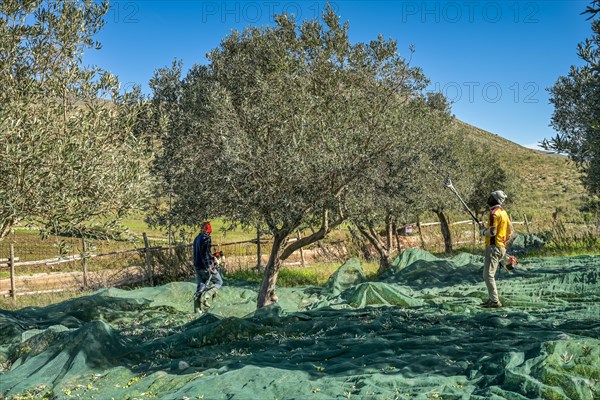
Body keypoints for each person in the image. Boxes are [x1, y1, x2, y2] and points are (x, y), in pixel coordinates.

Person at [478, 190, 513, 308]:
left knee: (488, 275)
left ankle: (494, 302)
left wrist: (483, 231)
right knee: (487, 274)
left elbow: (492, 232)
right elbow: (509, 233)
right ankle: (492, 300)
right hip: (500, 247)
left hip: (493, 247)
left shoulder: (493, 214)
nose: (488, 198)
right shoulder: (504, 213)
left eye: (491, 196)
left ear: (495, 200)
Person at [193, 221, 223, 312]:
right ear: (208, 230)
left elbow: (204, 253)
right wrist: (209, 266)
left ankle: (197, 309)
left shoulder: (197, 238)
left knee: (201, 285)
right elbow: (204, 254)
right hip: (205, 266)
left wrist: (213, 256)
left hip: (197, 266)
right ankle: (207, 295)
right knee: (219, 282)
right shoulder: (206, 238)